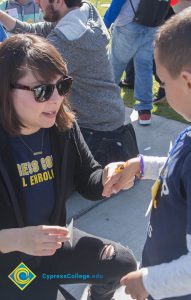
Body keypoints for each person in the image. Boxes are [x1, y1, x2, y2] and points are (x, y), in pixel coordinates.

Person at [0, 34, 137, 300]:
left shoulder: (62, 126)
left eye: (62, 86)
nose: (56, 99)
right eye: (42, 91)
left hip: (52, 251)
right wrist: (16, 240)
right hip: (11, 265)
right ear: (5, 89)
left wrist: (109, 177)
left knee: (121, 264)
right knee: (34, 291)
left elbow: (90, 179)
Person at [103, 5, 191, 299]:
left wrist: (148, 281)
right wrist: (141, 165)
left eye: (163, 81)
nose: (163, 90)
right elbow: (177, 170)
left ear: (189, 83)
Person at [0, 0, 139, 167]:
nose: (36, 1)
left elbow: (23, 68)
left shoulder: (68, 40)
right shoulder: (82, 12)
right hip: (107, 119)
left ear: (58, 1)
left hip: (96, 132)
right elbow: (34, 31)